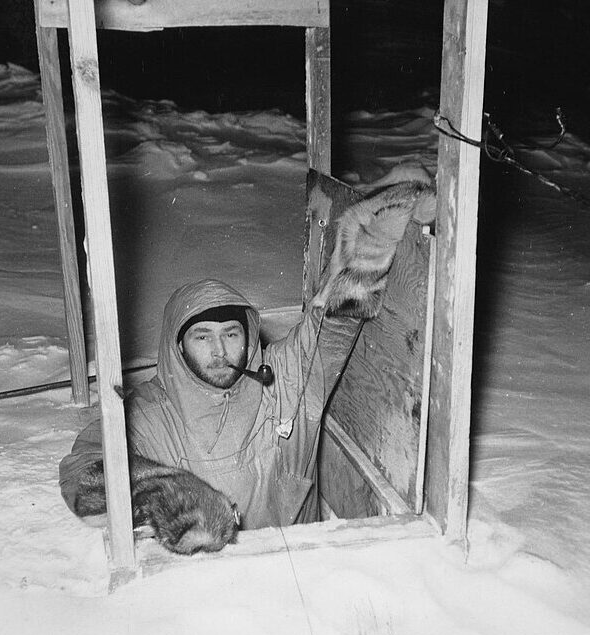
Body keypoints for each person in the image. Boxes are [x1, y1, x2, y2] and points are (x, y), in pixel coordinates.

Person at [58, 178, 435, 547]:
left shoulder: (284, 379)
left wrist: (385, 223)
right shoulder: (149, 412)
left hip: (302, 565)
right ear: (178, 346)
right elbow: (84, 472)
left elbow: (333, 316)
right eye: (202, 336)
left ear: (249, 336)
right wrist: (167, 490)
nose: (219, 351)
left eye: (231, 334)